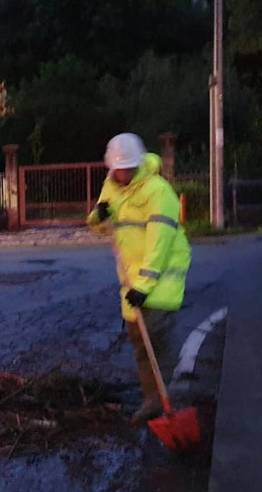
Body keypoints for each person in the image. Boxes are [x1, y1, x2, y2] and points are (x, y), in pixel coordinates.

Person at [87, 133, 192, 425]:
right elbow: (100, 228)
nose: (122, 173)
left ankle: (170, 404)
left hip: (158, 285)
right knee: (142, 350)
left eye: (127, 168)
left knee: (158, 348)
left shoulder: (158, 191)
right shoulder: (111, 187)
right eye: (118, 169)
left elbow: (160, 245)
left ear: (137, 164)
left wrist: (144, 286)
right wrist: (98, 215)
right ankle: (153, 401)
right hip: (133, 286)